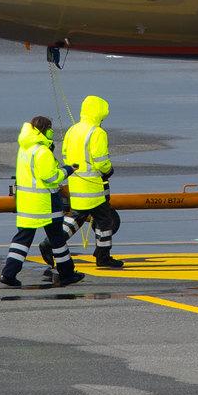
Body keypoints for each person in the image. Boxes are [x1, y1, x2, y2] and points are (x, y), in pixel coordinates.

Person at [1, 115, 82, 288]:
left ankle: (8, 273)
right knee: (57, 239)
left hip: (26, 203)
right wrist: (68, 170)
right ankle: (67, 274)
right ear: (46, 130)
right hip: (45, 203)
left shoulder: (24, 149)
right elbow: (51, 177)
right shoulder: (42, 151)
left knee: (22, 239)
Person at [60, 94, 122, 270]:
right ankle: (103, 257)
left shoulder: (72, 130)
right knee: (104, 220)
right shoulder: (97, 132)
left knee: (76, 217)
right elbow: (101, 160)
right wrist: (108, 171)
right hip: (94, 186)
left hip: (76, 182)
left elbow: (65, 155)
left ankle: (51, 242)